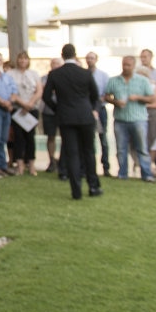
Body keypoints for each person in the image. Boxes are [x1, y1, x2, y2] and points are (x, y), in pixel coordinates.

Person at [43, 44, 102, 200]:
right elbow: (95, 95)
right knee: (89, 152)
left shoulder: (55, 74)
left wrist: (58, 109)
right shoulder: (85, 73)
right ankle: (93, 186)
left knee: (72, 153)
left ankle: (76, 191)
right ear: (75, 55)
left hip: (66, 116)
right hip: (85, 115)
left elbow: (46, 97)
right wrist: (91, 108)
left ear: (62, 55)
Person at [104, 55, 156, 182]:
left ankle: (146, 174)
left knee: (142, 148)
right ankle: (122, 173)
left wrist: (138, 97)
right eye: (124, 64)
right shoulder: (114, 80)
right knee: (121, 148)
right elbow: (106, 96)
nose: (125, 67)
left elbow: (151, 98)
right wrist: (115, 102)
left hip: (138, 119)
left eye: (128, 65)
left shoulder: (142, 81)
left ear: (133, 66)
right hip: (120, 119)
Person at [9, 51, 42, 176]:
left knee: (30, 137)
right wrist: (22, 103)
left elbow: (39, 90)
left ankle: (32, 165)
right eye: (20, 59)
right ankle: (20, 164)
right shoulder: (11, 74)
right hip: (18, 109)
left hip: (31, 108)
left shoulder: (33, 74)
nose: (22, 61)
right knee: (18, 137)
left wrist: (30, 104)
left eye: (25, 59)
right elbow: (11, 92)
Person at [85, 52, 111, 177]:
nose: (90, 60)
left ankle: (106, 167)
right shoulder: (83, 74)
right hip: (86, 109)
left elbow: (107, 93)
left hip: (100, 109)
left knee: (103, 139)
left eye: (92, 58)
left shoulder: (103, 76)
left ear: (96, 59)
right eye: (88, 58)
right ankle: (91, 168)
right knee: (89, 139)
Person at [40, 57, 64, 177]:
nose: (55, 65)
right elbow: (44, 92)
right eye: (53, 63)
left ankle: (63, 161)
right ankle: (52, 160)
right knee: (50, 136)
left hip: (63, 111)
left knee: (65, 136)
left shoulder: (65, 78)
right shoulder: (44, 78)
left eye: (57, 63)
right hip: (48, 111)